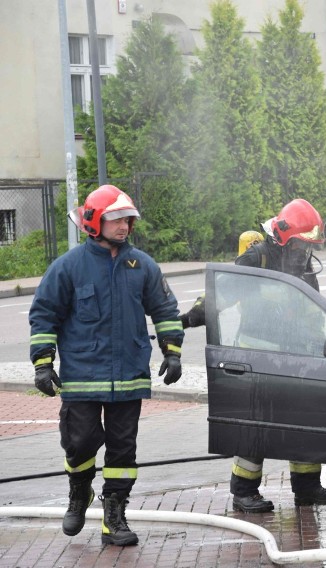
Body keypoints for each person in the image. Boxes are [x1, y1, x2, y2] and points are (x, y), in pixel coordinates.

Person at [28, 184, 184, 546]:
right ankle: (79, 491)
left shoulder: (141, 265)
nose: (124, 226)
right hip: (82, 376)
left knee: (122, 450)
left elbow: (165, 309)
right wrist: (42, 362)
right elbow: (44, 315)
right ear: (93, 222)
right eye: (115, 219)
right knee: (79, 442)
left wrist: (172, 351)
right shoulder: (68, 267)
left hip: (129, 375)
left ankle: (115, 517)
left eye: (127, 219)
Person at [180, 199, 326, 512]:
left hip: (297, 357)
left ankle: (307, 488)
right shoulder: (259, 257)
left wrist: (321, 345)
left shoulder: (302, 262)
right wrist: (191, 317)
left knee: (304, 423)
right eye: (300, 245)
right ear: (284, 237)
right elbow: (223, 290)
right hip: (259, 359)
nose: (305, 252)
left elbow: (310, 308)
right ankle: (244, 492)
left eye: (309, 246)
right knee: (256, 427)